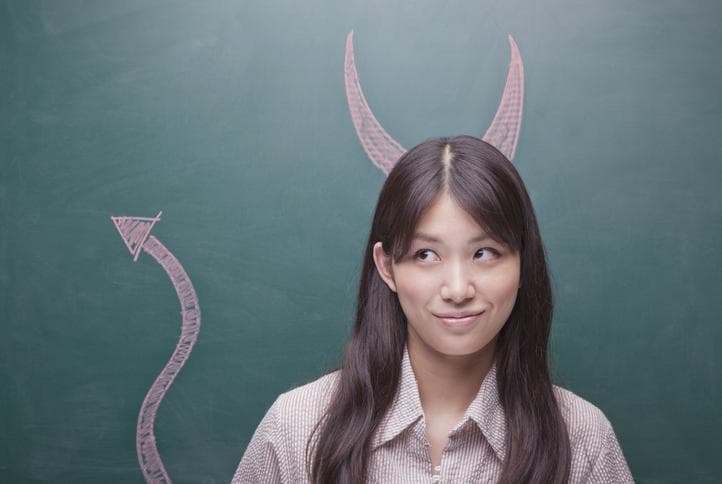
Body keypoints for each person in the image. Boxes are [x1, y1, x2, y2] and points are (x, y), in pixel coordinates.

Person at [232, 135, 633, 483]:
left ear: (523, 261)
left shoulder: (581, 438)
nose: (458, 289)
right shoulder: (298, 426)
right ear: (387, 266)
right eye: (426, 254)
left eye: (485, 253)